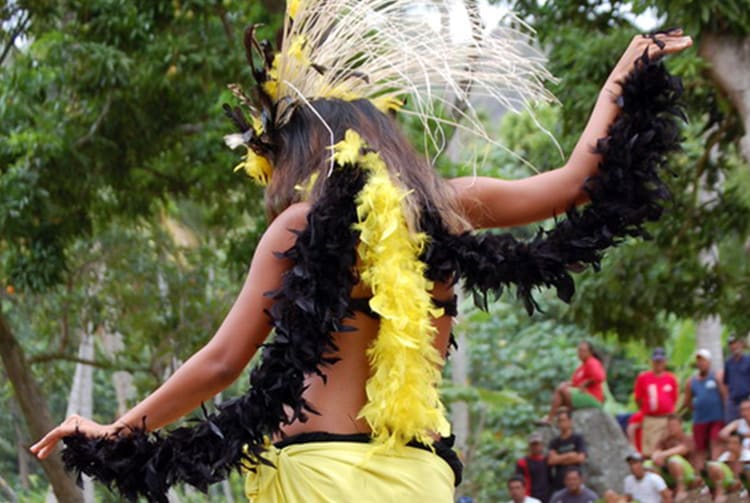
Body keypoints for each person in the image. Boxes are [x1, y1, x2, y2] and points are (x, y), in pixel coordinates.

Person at [27, 1, 693, 500]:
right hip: (423, 476)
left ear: (300, 154)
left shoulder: (296, 227)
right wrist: (623, 75)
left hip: (320, 469)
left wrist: (116, 431)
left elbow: (223, 361)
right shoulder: (451, 206)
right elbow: (579, 180)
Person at [681, 348, 726, 470]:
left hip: (717, 418)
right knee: (700, 450)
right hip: (700, 420)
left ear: (709, 362)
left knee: (715, 444)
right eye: (699, 361)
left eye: (703, 360)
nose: (701, 363)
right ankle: (701, 478)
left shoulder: (716, 377)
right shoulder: (691, 381)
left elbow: (724, 395)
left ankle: (716, 472)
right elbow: (687, 402)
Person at [631, 347, 679, 456]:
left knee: (666, 448)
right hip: (651, 419)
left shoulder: (671, 379)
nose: (658, 363)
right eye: (656, 361)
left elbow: (674, 399)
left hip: (666, 419)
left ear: (665, 361)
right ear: (652, 361)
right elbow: (638, 399)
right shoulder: (643, 378)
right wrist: (646, 410)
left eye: (661, 361)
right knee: (649, 451)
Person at [544, 341, 606, 422]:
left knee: (562, 389)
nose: (580, 353)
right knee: (559, 392)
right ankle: (551, 418)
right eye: (579, 350)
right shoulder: (581, 367)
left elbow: (600, 377)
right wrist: (568, 383)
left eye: (583, 351)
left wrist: (586, 383)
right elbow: (576, 383)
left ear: (590, 352)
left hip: (593, 397)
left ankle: (552, 418)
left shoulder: (592, 362)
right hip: (583, 395)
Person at [651, 415, 695, 501]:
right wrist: (656, 457)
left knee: (674, 460)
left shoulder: (687, 437)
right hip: (668, 472)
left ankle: (681, 489)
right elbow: (655, 453)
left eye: (674, 425)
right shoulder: (665, 439)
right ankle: (664, 491)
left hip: (687, 475)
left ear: (680, 425)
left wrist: (663, 454)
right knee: (649, 464)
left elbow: (682, 449)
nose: (671, 428)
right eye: (669, 426)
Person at [548, 410, 587, 493]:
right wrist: (570, 455)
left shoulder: (578, 438)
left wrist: (559, 459)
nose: (561, 423)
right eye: (559, 421)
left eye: (563, 420)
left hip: (576, 481)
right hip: (559, 482)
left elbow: (581, 458)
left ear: (570, 421)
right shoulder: (554, 442)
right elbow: (551, 461)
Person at [706, 431, 750, 502]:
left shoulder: (747, 455)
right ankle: (719, 493)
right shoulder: (725, 455)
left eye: (734, 443)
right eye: (729, 443)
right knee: (712, 465)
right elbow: (717, 469)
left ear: (741, 445)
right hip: (729, 482)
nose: (731, 446)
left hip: (743, 482)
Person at [516, 432, 551, 502]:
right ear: (529, 446)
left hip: (547, 497)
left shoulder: (548, 461)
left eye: (537, 444)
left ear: (542, 445)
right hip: (531, 498)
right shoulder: (523, 463)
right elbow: (519, 482)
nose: (535, 447)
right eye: (533, 444)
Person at [724, 334, 750, 422]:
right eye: (731, 344)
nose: (734, 346)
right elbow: (726, 382)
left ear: (741, 344)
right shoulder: (728, 363)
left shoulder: (748, 360)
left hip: (747, 401)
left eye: (736, 343)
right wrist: (727, 399)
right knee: (732, 428)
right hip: (733, 402)